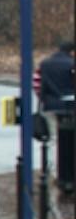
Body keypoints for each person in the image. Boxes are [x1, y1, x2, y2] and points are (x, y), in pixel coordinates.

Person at [39, 39, 75, 195]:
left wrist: (44, 101)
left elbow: (41, 86)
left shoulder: (45, 64)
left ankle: (55, 173)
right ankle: (68, 174)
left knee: (54, 139)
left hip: (51, 106)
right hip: (70, 106)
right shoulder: (71, 64)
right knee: (69, 142)